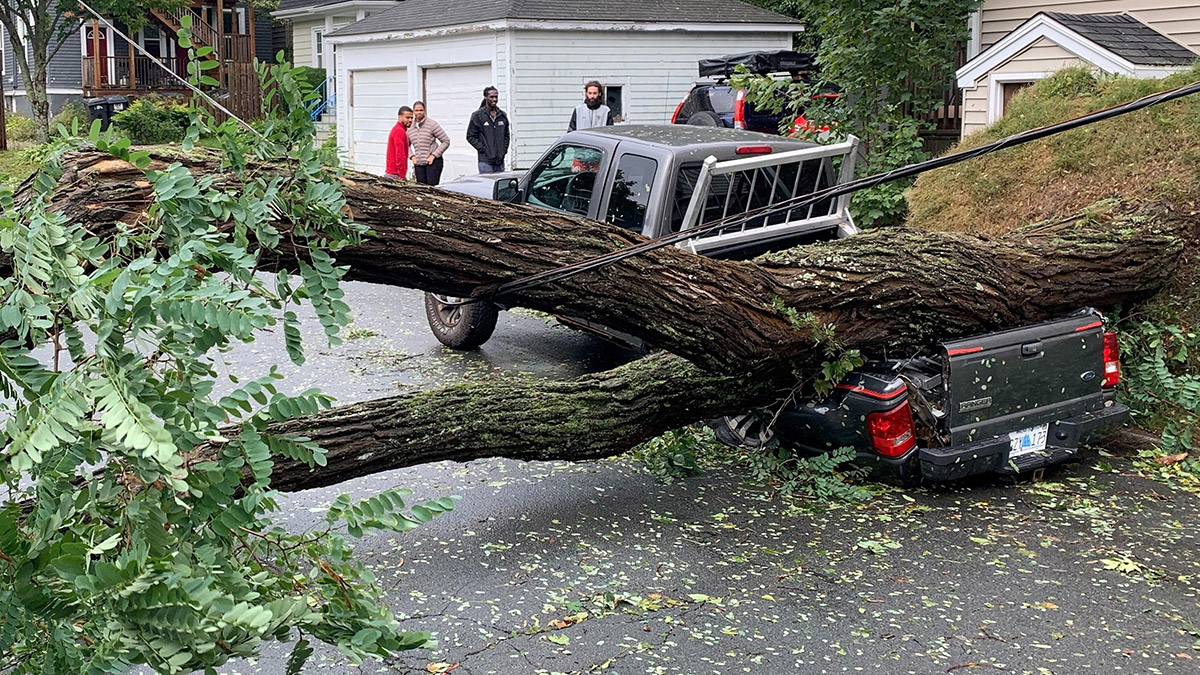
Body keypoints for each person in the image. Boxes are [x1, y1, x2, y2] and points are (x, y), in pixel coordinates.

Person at [466, 86, 510, 174]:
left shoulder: (502, 115)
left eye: (496, 97)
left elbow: (506, 135)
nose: (494, 99)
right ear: (485, 97)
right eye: (491, 97)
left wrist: (503, 150)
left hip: (500, 161)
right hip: (485, 162)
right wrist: (484, 149)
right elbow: (470, 136)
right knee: (488, 182)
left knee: (500, 182)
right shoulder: (478, 115)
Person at [409, 101, 451, 186]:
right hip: (419, 164)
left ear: (424, 111)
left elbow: (446, 141)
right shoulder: (410, 127)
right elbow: (405, 145)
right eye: (416, 110)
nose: (419, 112)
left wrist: (433, 155)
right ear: (413, 112)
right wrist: (412, 156)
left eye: (421, 110)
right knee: (421, 189)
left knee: (432, 188)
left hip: (433, 162)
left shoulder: (432, 124)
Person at [385, 106, 414, 180]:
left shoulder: (400, 130)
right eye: (407, 117)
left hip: (393, 172)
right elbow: (400, 155)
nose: (410, 120)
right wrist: (402, 176)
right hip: (395, 174)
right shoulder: (399, 131)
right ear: (399, 117)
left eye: (411, 118)